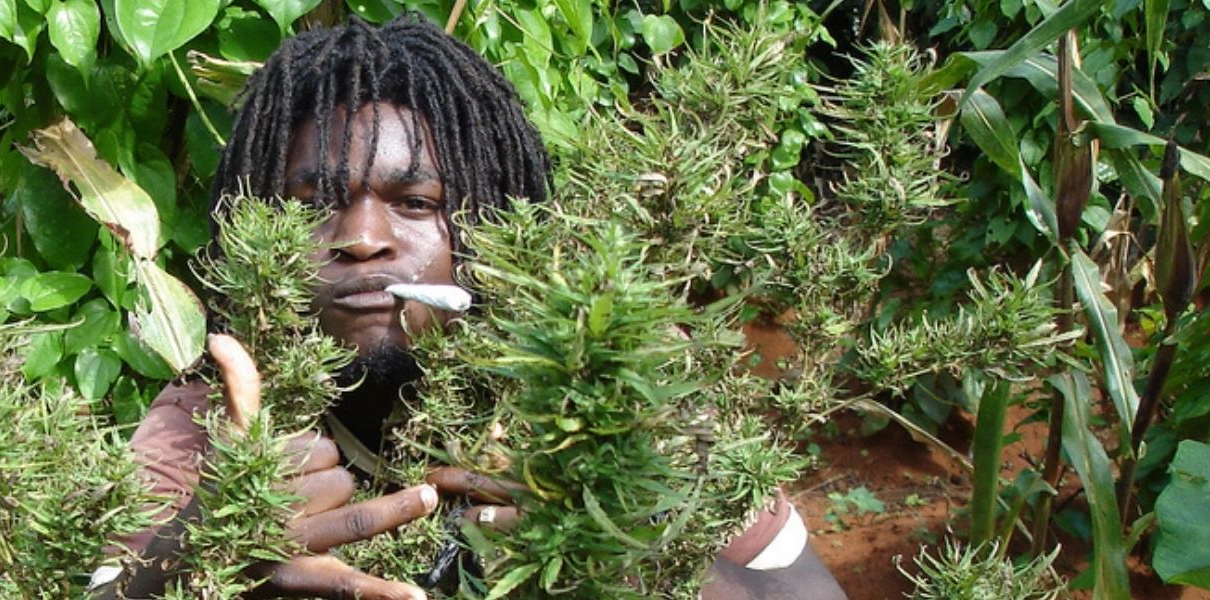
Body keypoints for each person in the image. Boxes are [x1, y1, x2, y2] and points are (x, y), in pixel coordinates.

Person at [95, 16, 846, 600]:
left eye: (417, 203)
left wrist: (619, 545)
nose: (361, 241)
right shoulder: (207, 426)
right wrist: (208, 553)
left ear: (493, 217)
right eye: (312, 205)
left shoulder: (620, 387)